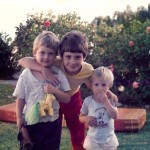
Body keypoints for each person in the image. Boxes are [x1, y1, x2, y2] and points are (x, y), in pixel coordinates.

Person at [18, 30, 117, 150]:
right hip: (53, 99)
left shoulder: (88, 70)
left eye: (77, 57)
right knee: (54, 127)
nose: (72, 61)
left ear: (84, 57)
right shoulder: (55, 61)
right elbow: (23, 61)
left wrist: (108, 92)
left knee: (77, 128)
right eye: (68, 57)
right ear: (61, 56)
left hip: (73, 98)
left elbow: (96, 82)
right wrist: (42, 69)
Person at [13, 31, 71, 150]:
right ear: (35, 52)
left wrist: (54, 90)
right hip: (30, 124)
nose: (46, 57)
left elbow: (67, 98)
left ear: (56, 56)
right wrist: (19, 118)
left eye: (50, 53)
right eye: (42, 52)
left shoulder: (58, 74)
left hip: (52, 124)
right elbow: (20, 98)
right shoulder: (26, 74)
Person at [79, 66, 119, 150]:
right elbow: (80, 117)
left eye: (104, 84)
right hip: (93, 141)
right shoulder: (88, 101)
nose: (100, 88)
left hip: (109, 140)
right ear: (91, 86)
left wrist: (106, 102)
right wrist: (86, 118)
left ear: (109, 86)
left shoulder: (111, 99)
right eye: (96, 84)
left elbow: (114, 116)